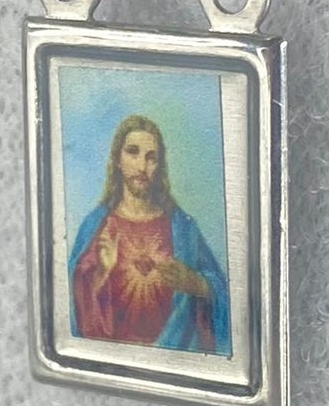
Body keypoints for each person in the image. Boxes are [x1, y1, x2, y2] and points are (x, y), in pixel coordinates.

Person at [68, 115, 230, 355]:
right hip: (116, 362)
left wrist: (196, 283)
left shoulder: (183, 228)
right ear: (118, 159)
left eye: (151, 157)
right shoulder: (96, 227)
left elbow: (225, 294)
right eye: (133, 152)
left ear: (159, 166)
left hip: (173, 359)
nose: (142, 166)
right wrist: (102, 273)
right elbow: (74, 306)